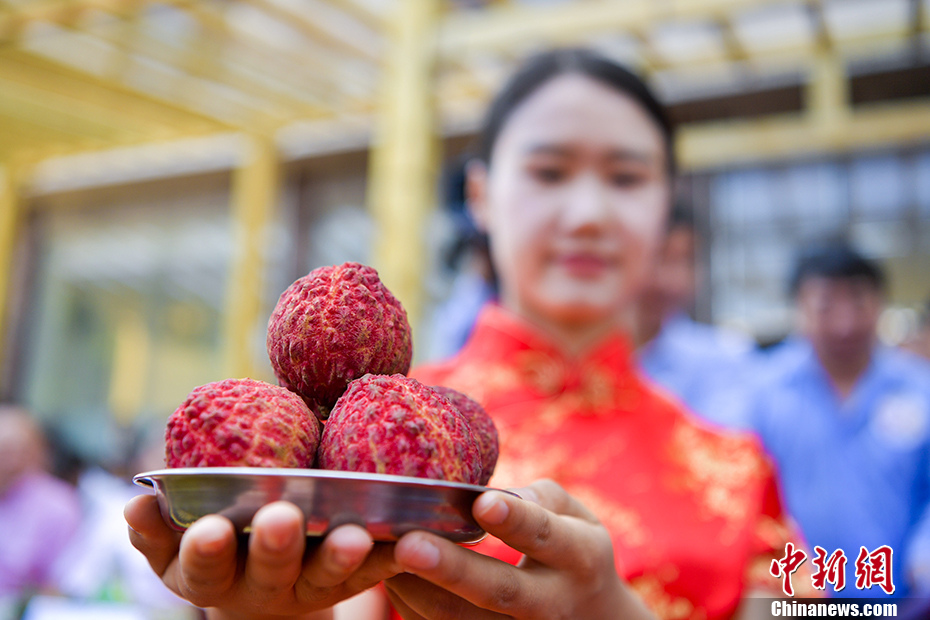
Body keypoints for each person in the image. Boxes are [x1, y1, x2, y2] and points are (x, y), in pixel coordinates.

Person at [126, 49, 808, 620]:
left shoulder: (738, 471)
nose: (588, 213)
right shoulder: (358, 447)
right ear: (480, 196)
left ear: (666, 207)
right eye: (549, 172)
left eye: (627, 178)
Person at [748, 240, 930, 599]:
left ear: (880, 303)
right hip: (795, 600)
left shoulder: (918, 388)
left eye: (858, 303)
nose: (844, 324)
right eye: (825, 306)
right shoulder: (764, 393)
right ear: (799, 309)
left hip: (901, 600)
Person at [633, 204, 757, 428]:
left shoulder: (723, 360)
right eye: (660, 258)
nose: (674, 280)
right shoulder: (584, 359)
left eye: (688, 260)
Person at [0, 405, 82, 607]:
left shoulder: (58, 505)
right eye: (5, 449)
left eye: (19, 450)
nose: (11, 460)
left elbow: (60, 585)